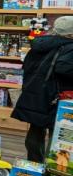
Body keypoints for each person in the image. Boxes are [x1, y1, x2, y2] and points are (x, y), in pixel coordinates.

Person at [13, 16, 73, 163]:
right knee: (58, 134)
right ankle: (53, 170)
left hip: (36, 94)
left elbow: (27, 66)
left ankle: (34, 165)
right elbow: (64, 69)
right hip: (58, 96)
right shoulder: (70, 47)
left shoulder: (40, 44)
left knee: (35, 131)